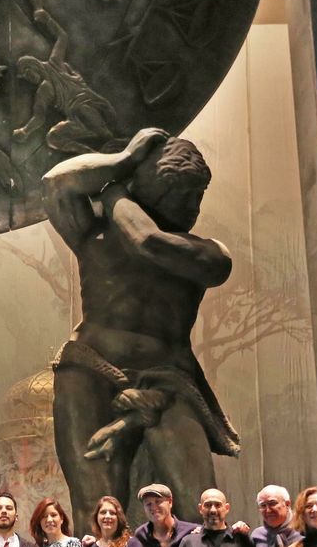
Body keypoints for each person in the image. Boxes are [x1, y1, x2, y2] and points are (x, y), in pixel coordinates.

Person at [42, 129, 239, 524]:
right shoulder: (93, 233)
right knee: (95, 511)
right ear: (149, 190)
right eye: (179, 192)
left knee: (201, 508)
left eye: (196, 194)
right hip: (91, 369)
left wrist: (116, 192)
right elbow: (56, 183)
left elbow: (147, 242)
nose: (191, 205)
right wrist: (125, 159)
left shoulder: (209, 254)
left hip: (167, 380)